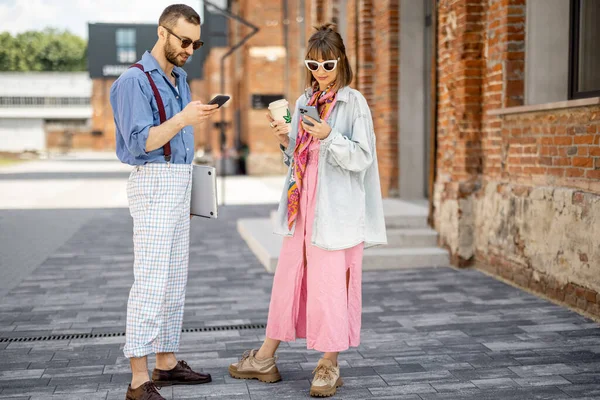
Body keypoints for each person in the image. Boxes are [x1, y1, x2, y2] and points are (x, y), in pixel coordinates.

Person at [228, 23, 387, 398]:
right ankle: (266, 358)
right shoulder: (304, 102)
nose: (320, 73)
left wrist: (329, 136)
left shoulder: (353, 103)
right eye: (312, 65)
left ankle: (328, 364)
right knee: (288, 281)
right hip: (302, 207)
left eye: (328, 64)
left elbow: (364, 157)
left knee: (331, 287)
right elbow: (297, 160)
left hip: (336, 211)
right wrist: (287, 140)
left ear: (341, 62)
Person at [109, 4, 219, 400]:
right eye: (184, 40)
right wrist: (184, 119)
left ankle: (166, 362)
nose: (190, 49)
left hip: (179, 180)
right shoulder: (132, 82)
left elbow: (177, 137)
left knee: (174, 280)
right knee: (151, 282)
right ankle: (139, 379)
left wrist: (190, 120)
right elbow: (142, 142)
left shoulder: (181, 79)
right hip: (153, 182)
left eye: (196, 42)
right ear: (162, 32)